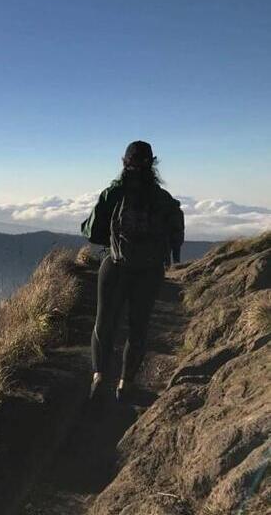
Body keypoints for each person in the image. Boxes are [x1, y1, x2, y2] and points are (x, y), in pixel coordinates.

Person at [80, 140, 184, 403]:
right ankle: (126, 385)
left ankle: (100, 378)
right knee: (138, 328)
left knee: (104, 325)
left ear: (123, 162)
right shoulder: (163, 199)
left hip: (115, 267)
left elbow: (91, 232)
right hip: (149, 273)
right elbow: (175, 233)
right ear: (153, 164)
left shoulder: (113, 194)